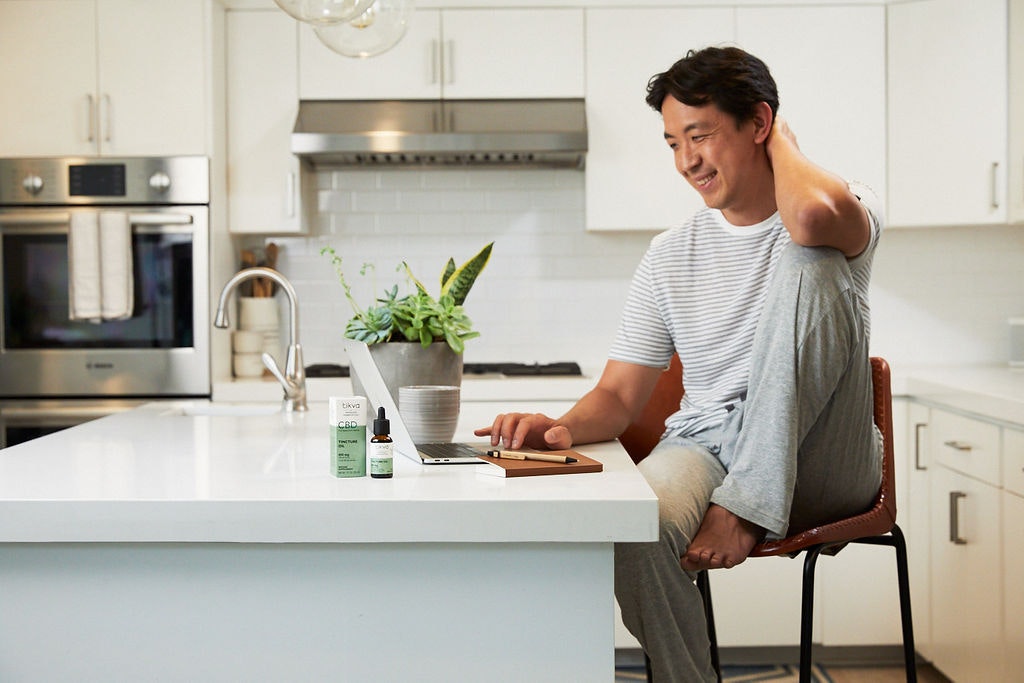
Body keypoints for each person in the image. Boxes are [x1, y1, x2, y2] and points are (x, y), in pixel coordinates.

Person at [475, 46, 883, 682]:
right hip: (709, 443)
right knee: (639, 523)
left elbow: (807, 217)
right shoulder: (670, 256)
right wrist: (557, 428)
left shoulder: (842, 205)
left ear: (759, 124)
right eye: (672, 142)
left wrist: (787, 147)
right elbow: (618, 394)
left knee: (814, 256)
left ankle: (749, 502)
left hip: (824, 452)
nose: (686, 160)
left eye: (702, 135)